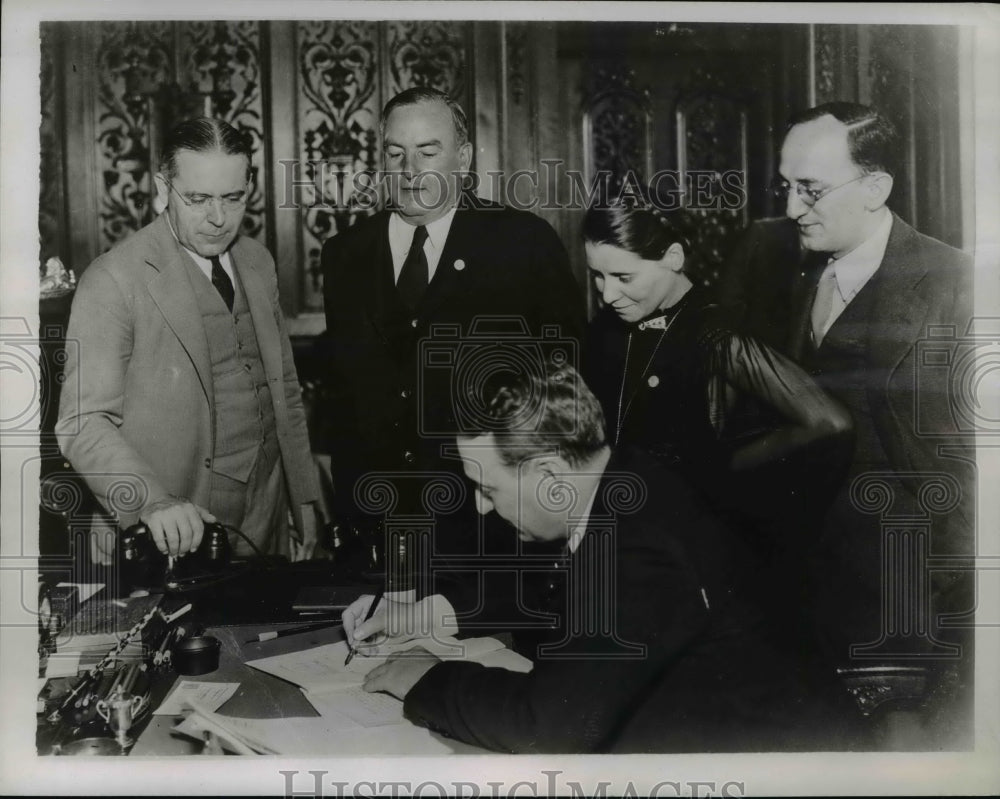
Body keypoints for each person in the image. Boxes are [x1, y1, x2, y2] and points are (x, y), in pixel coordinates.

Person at [341, 361, 857, 753]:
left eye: (486, 487)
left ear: (546, 476)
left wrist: (425, 677)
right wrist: (428, 613)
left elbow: (550, 725)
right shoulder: (627, 476)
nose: (480, 505)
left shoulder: (639, 550)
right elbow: (546, 586)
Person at [720, 103, 975, 667]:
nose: (791, 208)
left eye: (809, 189)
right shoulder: (783, 267)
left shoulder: (960, 285)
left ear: (875, 187)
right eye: (784, 187)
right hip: (799, 585)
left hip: (907, 604)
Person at [321, 87, 584, 573]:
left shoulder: (523, 244)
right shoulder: (345, 256)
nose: (409, 170)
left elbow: (566, 385)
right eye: (395, 153)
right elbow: (343, 397)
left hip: (493, 532)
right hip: (378, 534)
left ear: (463, 159)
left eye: (427, 151)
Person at [56, 117, 319, 563]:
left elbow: (286, 393)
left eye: (233, 198)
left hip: (269, 508)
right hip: (174, 523)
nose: (218, 219)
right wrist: (150, 501)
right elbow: (81, 422)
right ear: (163, 189)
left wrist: (304, 503)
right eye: (198, 199)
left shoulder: (258, 261)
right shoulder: (113, 278)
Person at [581, 197, 853, 543]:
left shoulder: (716, 334)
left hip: (690, 541)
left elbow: (830, 424)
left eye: (623, 277)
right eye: (597, 277)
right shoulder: (607, 326)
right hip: (624, 527)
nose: (607, 294)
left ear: (673, 258)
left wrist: (723, 468)